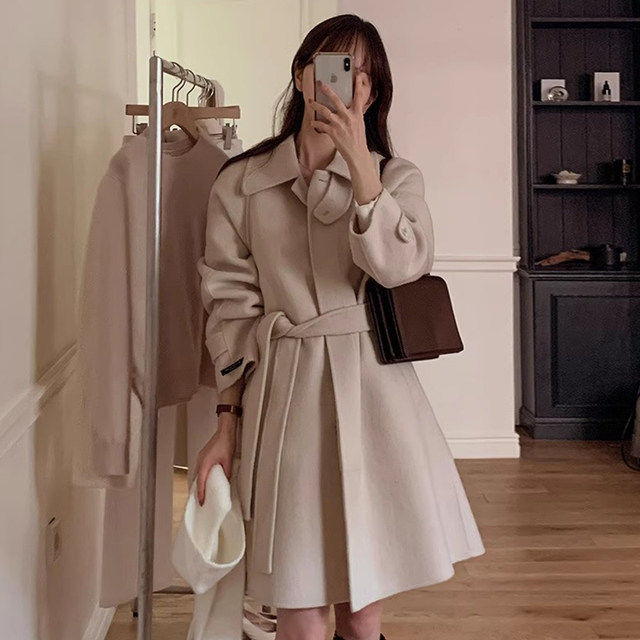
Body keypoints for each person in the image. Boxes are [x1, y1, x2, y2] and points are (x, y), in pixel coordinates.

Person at [193, 13, 486, 640]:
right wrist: (225, 425)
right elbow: (229, 310)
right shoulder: (240, 183)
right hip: (284, 395)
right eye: (337, 66)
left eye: (365, 78)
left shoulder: (396, 177)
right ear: (303, 76)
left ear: (373, 95)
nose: (349, 85)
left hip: (374, 398)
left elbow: (401, 266)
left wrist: (361, 170)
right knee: (297, 608)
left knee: (362, 609)